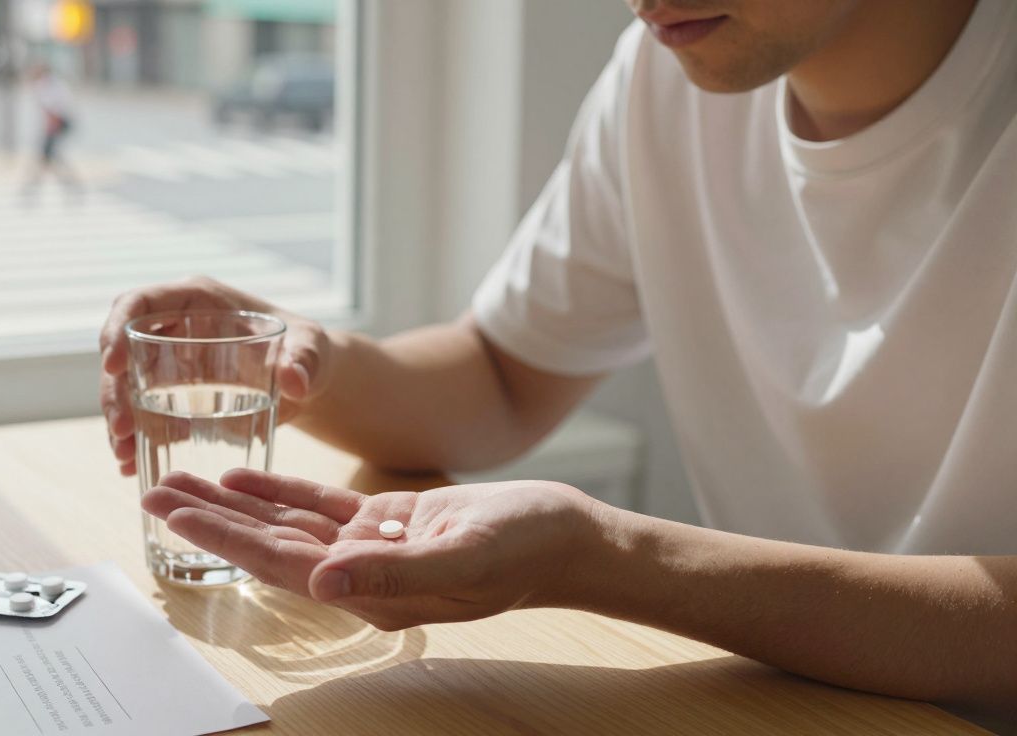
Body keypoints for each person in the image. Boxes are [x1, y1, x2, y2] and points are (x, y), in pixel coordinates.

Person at [98, 0, 1017, 725]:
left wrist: (608, 558)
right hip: (772, 706)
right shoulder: (669, 80)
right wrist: (316, 362)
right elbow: (501, 374)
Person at [22, 62, 82, 201]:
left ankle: (35, 185)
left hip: (57, 124)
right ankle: (66, 184)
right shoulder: (52, 83)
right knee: (49, 156)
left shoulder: (45, 85)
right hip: (58, 124)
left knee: (47, 156)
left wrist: (50, 130)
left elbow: (52, 111)